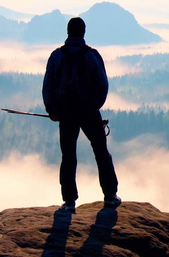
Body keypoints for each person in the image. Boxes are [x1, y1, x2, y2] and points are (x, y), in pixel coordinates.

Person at [42, 17, 120, 213]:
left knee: (68, 156)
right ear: (83, 32)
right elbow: (102, 85)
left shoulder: (56, 56)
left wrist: (53, 110)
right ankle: (110, 196)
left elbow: (48, 85)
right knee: (101, 152)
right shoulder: (92, 56)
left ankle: (69, 202)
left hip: (65, 112)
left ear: (68, 32)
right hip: (88, 111)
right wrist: (93, 107)